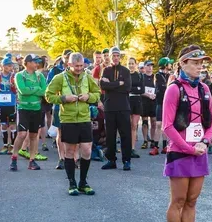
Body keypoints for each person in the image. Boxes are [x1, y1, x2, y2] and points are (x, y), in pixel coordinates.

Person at [162, 45, 212, 222]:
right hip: (180, 152)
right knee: (178, 201)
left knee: (192, 201)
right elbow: (167, 126)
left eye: (201, 63)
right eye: (195, 63)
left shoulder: (204, 88)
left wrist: (205, 141)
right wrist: (188, 148)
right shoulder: (174, 89)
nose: (200, 66)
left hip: (199, 151)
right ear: (183, 63)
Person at [45, 52, 101, 195]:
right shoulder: (59, 78)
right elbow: (48, 95)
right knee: (69, 151)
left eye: (81, 66)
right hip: (68, 119)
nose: (79, 68)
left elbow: (97, 93)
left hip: (84, 118)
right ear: (69, 64)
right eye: (76, 66)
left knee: (87, 150)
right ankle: (72, 183)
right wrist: (64, 98)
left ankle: (83, 182)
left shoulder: (87, 77)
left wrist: (89, 96)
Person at [11, 54, 47, 171]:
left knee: (33, 135)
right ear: (28, 63)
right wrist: (36, 89)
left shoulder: (40, 76)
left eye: (37, 62)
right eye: (34, 62)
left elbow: (44, 91)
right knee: (21, 134)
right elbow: (23, 90)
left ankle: (32, 160)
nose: (37, 64)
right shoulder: (19, 75)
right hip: (23, 109)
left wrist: (33, 90)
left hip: (36, 109)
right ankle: (14, 158)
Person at [100, 46, 133, 170]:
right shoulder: (106, 70)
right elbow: (103, 85)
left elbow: (127, 87)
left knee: (125, 134)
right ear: (110, 56)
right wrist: (118, 83)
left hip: (123, 106)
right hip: (109, 107)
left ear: (120, 57)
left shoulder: (125, 71)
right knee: (110, 135)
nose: (115, 58)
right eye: (113, 55)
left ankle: (126, 160)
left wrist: (111, 85)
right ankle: (111, 160)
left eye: (117, 56)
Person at [0, 57, 17, 156]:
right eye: (8, 65)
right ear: (2, 66)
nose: (10, 67)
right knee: (3, 124)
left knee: (12, 125)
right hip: (1, 104)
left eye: (11, 65)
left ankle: (13, 146)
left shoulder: (14, 76)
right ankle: (5, 145)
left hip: (11, 104)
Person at [155, 57, 173, 154]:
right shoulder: (157, 75)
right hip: (160, 103)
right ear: (165, 65)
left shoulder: (170, 75)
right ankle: (155, 146)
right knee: (158, 124)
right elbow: (161, 89)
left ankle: (165, 145)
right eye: (169, 63)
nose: (171, 65)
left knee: (167, 125)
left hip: (169, 104)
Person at [141, 61, 159, 155]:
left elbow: (159, 89)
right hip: (144, 101)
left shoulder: (156, 77)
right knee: (144, 122)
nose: (150, 67)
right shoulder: (141, 77)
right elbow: (139, 90)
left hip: (154, 102)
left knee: (154, 122)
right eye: (148, 65)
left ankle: (152, 140)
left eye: (151, 66)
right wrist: (148, 95)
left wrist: (155, 94)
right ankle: (145, 140)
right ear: (144, 67)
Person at [128, 58, 144, 159]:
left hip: (137, 102)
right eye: (129, 64)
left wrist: (133, 89)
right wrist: (135, 88)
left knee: (134, 125)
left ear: (136, 64)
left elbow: (141, 89)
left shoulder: (139, 75)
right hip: (127, 101)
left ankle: (132, 148)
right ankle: (127, 147)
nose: (131, 65)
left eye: (132, 64)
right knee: (127, 125)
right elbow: (126, 88)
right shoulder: (125, 74)